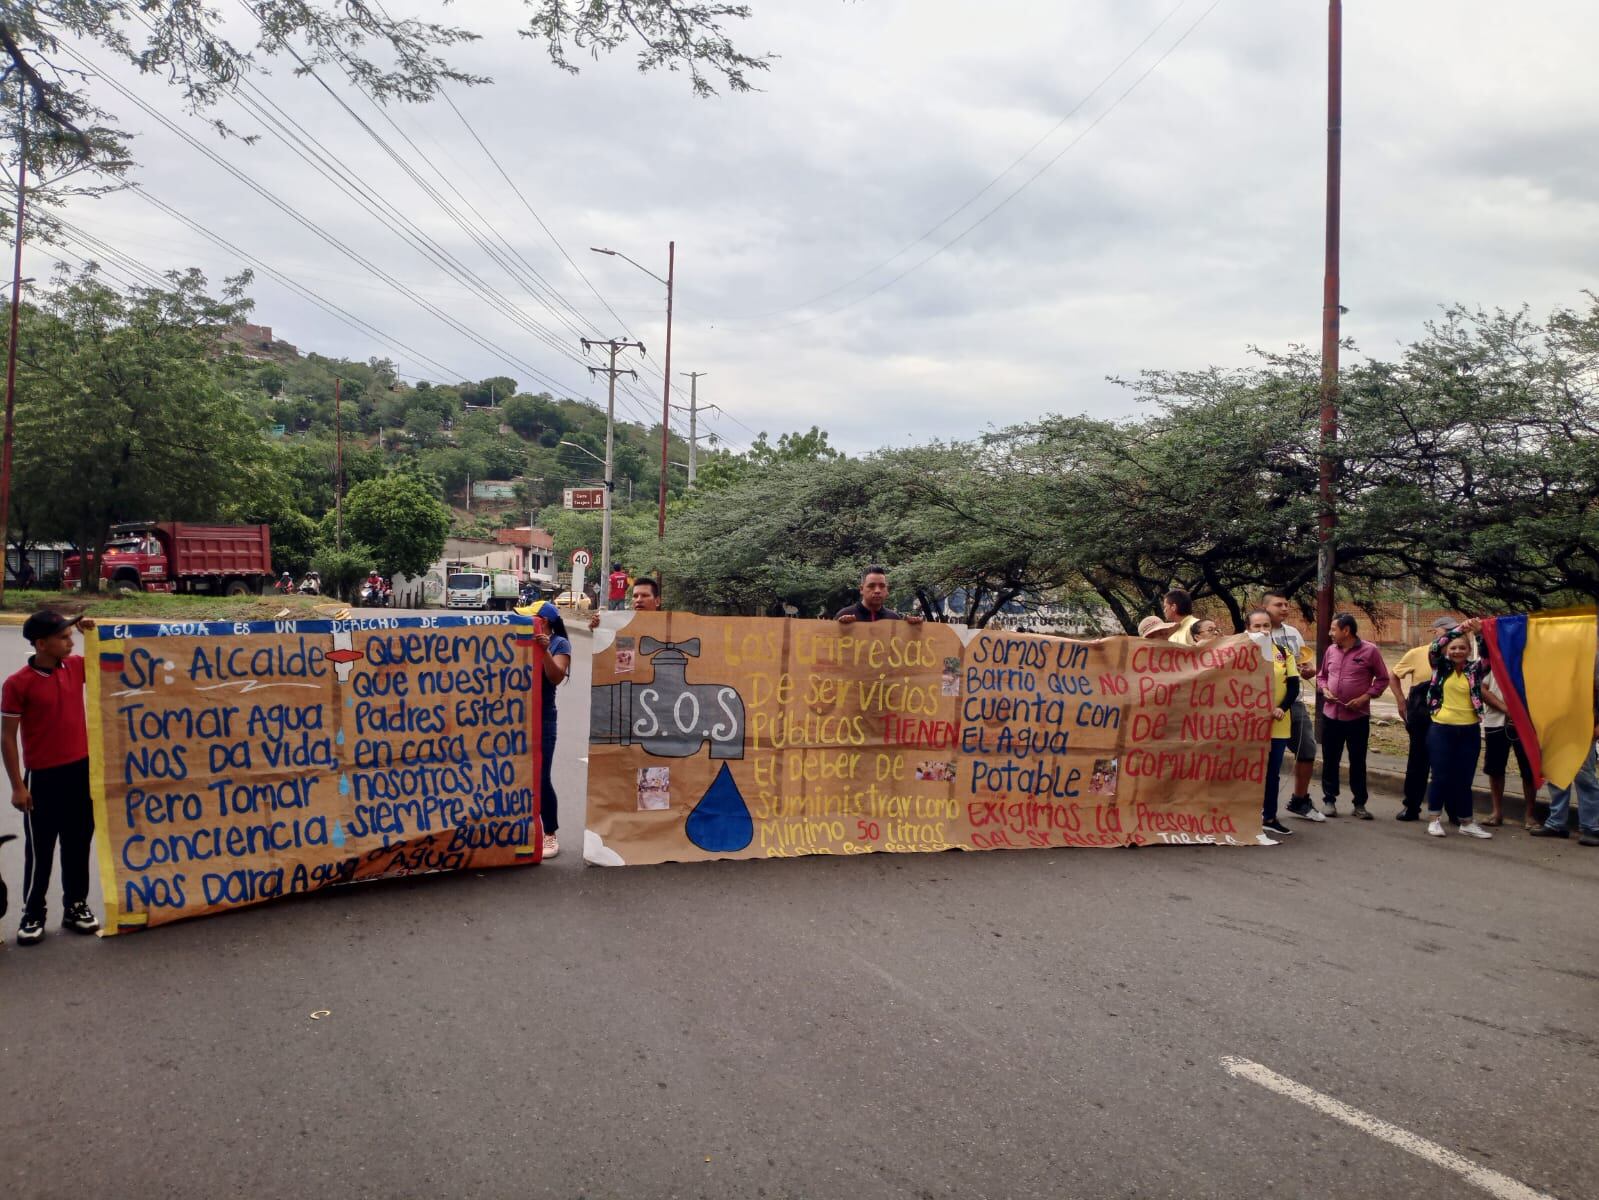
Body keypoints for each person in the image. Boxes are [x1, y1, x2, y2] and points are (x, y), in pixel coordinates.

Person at [2, 610, 100, 944]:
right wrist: (18, 785)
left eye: (71, 636)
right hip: (42, 779)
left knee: (77, 845)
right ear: (42, 644)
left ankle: (76, 906)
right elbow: (7, 737)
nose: (70, 641)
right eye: (63, 637)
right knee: (40, 850)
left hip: (81, 773)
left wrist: (91, 634)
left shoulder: (75, 667)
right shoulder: (17, 684)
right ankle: (32, 913)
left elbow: (111, 660)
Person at [1422, 620, 1494, 839]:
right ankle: (1434, 819)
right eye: (1453, 647)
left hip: (1469, 730)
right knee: (1440, 775)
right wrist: (1459, 630)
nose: (1457, 651)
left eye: (1462, 647)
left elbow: (1489, 658)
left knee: (1464, 778)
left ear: (1468, 650)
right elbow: (1434, 647)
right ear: (1447, 650)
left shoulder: (1474, 670)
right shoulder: (1440, 666)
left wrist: (1480, 634)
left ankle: (1466, 822)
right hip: (1442, 728)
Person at [1315, 612, 1389, 820]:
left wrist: (1365, 697)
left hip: (1357, 717)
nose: (1330, 633)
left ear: (1345, 631)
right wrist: (1325, 690)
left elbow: (1382, 679)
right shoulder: (1331, 650)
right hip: (1331, 715)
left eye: (1333, 629)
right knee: (1330, 759)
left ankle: (1359, 804)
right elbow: (1322, 676)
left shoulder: (1370, 651)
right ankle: (1329, 800)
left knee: (1358, 761)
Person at [1386, 616, 1460, 821]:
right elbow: (1393, 675)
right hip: (1421, 714)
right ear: (1435, 631)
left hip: (1450, 715)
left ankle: (1453, 811)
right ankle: (1411, 807)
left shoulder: (1458, 655)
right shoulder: (1417, 653)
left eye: (1454, 631)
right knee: (1418, 762)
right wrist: (1401, 701)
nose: (1452, 635)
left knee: (1449, 764)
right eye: (1447, 631)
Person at [1529, 647, 1599, 846]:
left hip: (1583, 726)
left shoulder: (1593, 657)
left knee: (1584, 776)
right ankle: (1557, 823)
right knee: (1556, 774)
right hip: (1555, 725)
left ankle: (1591, 827)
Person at [1264, 591, 1323, 823]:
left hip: (1293, 703)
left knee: (1307, 749)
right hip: (1261, 704)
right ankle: (1253, 806)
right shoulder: (1256, 634)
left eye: (1287, 604)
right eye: (1279, 604)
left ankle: (1299, 800)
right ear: (1265, 607)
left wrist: (1309, 670)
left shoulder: (1293, 634)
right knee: (1262, 758)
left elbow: (1303, 664)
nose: (1285, 608)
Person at [1246, 608, 1297, 841]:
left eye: (1266, 626)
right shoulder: (1238, 653)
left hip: (1277, 724)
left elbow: (1294, 686)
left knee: (1272, 773)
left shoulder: (1283, 653)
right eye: (1256, 626)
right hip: (1247, 727)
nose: (1262, 631)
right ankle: (1243, 815)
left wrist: (1282, 708)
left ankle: (1270, 817)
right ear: (1248, 629)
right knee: (1247, 772)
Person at [531, 601, 573, 859]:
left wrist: (544, 650)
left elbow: (556, 676)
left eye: (532, 618)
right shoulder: (522, 640)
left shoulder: (560, 644)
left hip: (543, 717)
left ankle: (550, 833)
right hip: (518, 718)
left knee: (541, 776)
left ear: (543, 622)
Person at [1478, 640, 1534, 828]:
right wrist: (1506, 709)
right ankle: (1497, 812)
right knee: (1495, 768)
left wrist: (1519, 712)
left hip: (1526, 723)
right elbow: (1482, 689)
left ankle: (1530, 815)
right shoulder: (1492, 664)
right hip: (1496, 721)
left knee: (1528, 769)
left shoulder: (1531, 664)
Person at [836, 566, 925, 625]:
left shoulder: (894, 619)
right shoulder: (844, 616)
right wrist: (842, 628)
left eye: (882, 586)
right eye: (871, 586)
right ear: (861, 589)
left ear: (887, 590)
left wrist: (913, 630)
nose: (877, 591)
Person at [589, 576, 663, 629]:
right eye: (635, 596)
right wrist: (596, 628)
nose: (638, 600)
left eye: (645, 595)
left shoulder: (670, 627)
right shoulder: (621, 625)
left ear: (657, 601)